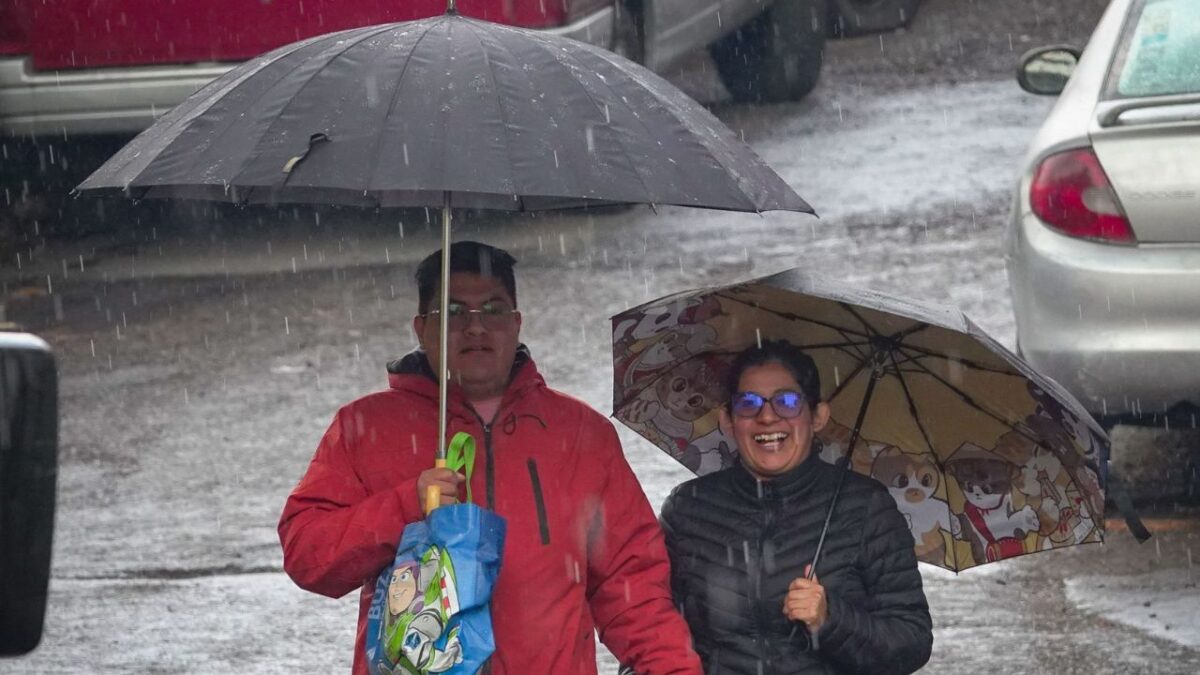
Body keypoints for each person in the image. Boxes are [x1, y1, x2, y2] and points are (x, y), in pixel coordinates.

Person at [278, 241, 702, 674]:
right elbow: (309, 557)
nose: (476, 328)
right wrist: (404, 506)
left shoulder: (580, 433)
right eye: (454, 313)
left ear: (516, 323)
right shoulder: (364, 427)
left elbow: (632, 588)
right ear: (422, 328)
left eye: (493, 310)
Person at [660, 340, 933, 674]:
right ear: (728, 420)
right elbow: (649, 637)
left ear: (818, 416)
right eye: (748, 403)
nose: (767, 417)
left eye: (787, 402)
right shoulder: (688, 509)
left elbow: (911, 643)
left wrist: (829, 620)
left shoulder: (865, 507)